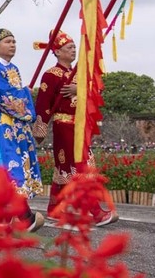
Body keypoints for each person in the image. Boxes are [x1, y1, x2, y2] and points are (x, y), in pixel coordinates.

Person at [32, 30, 118, 226]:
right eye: (69, 48)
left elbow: (97, 90)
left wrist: (79, 89)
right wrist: (40, 128)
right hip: (64, 125)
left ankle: (54, 208)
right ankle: (96, 212)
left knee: (65, 168)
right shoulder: (51, 75)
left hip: (80, 124)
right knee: (80, 167)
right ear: (58, 52)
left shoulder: (79, 73)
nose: (73, 50)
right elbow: (43, 103)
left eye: (73, 47)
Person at [0, 26, 45, 232]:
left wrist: (24, 93)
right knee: (6, 165)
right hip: (0, 122)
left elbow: (15, 94)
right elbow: (5, 96)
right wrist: (24, 95)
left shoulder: (13, 68)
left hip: (14, 122)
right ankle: (24, 216)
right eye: (8, 42)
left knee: (8, 166)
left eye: (14, 41)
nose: (12, 45)